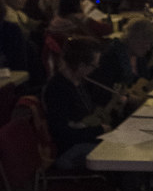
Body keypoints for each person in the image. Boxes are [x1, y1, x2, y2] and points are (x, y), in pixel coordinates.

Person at [42, 35, 112, 170]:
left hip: (83, 140)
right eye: (93, 66)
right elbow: (63, 134)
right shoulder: (57, 89)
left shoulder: (79, 81)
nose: (95, 69)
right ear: (81, 65)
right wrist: (99, 130)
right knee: (118, 152)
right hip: (70, 150)